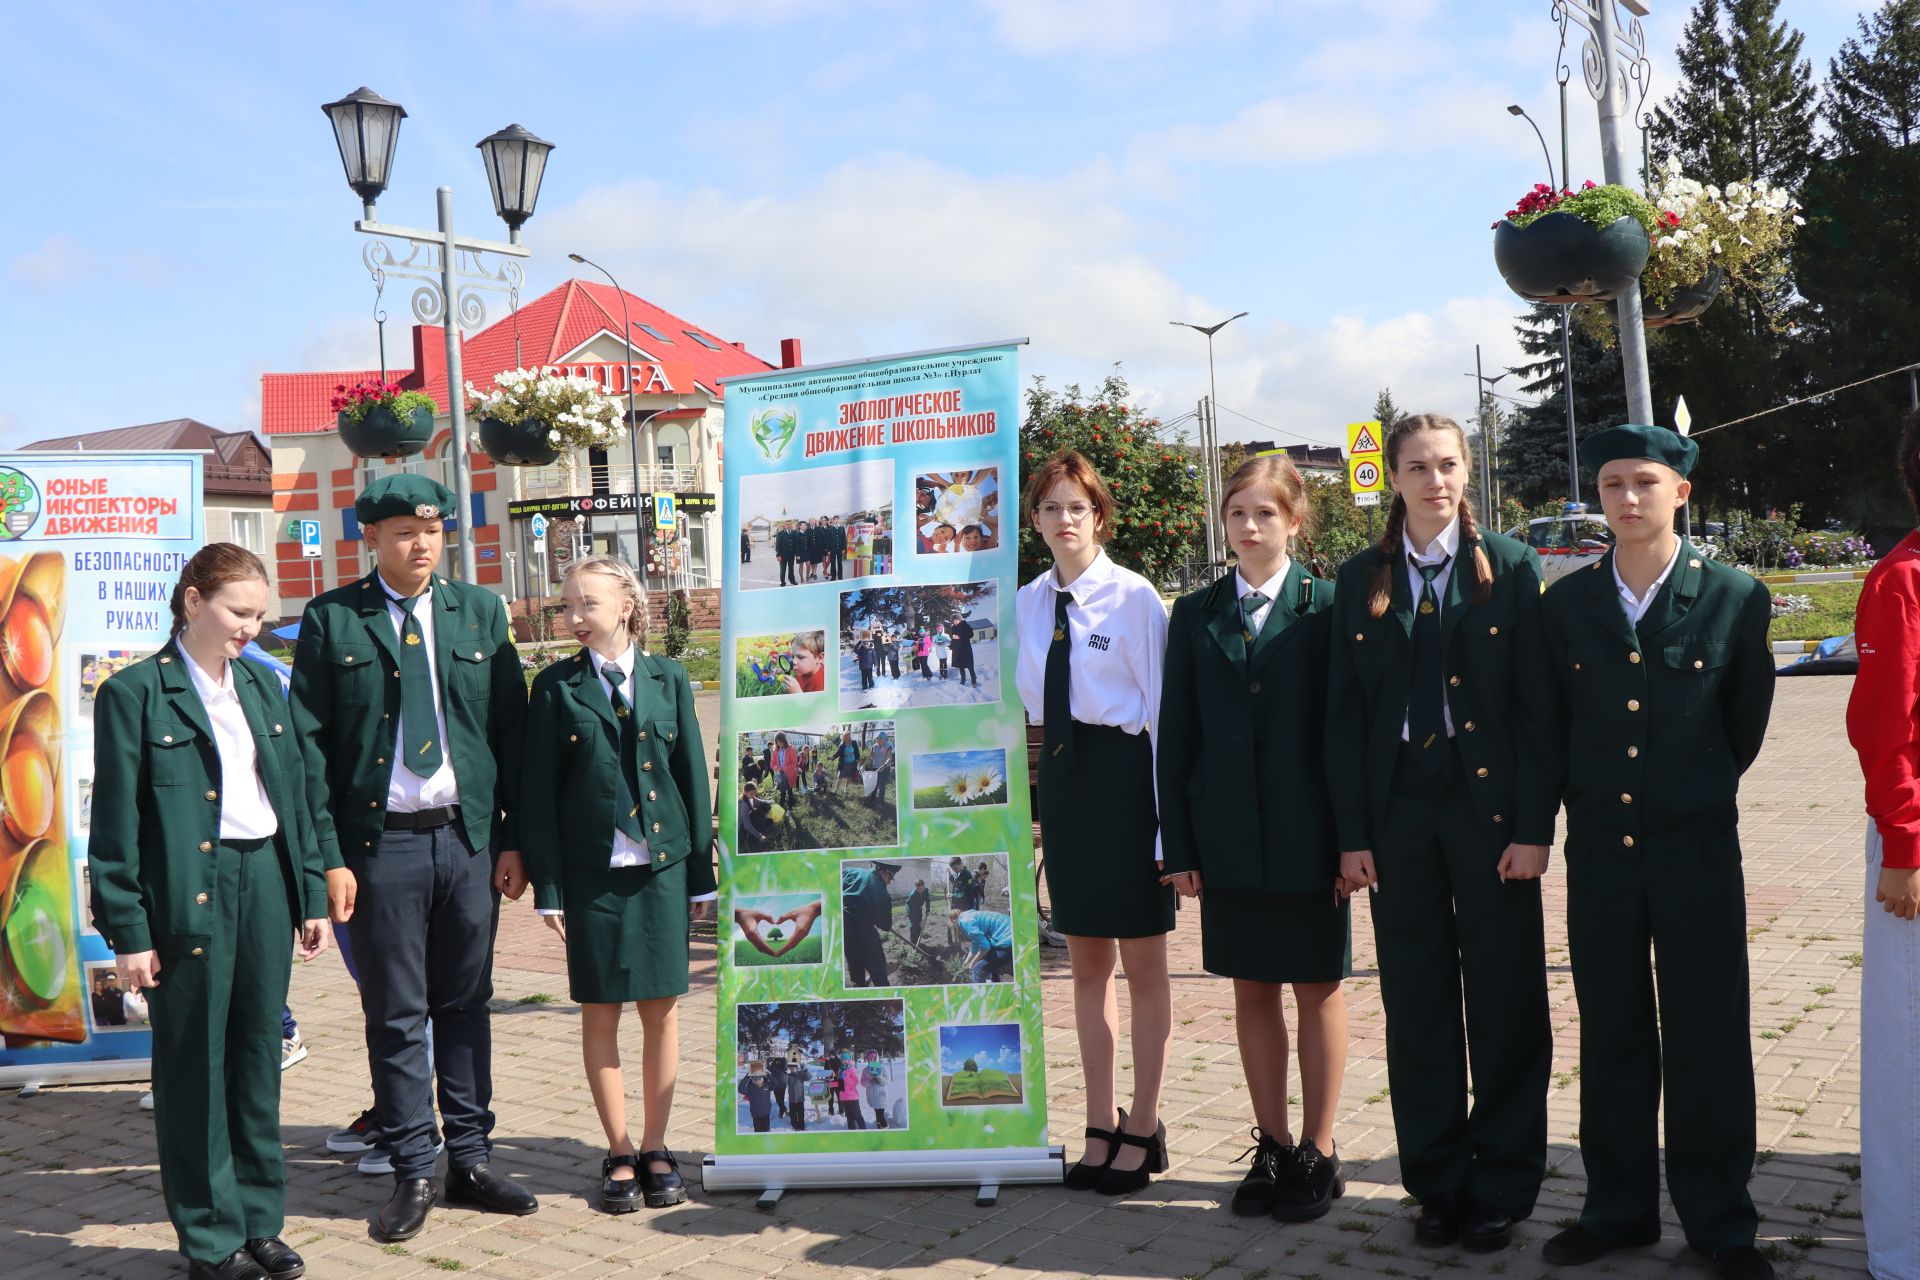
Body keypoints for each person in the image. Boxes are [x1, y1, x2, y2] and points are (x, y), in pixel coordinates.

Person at [1539, 425, 1777, 1280]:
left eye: (1644, 482)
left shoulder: (1736, 597)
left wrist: (1692, 790)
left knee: (1709, 1035)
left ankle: (1721, 1222)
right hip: (1602, 854)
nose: (1627, 499)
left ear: (1681, 491)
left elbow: (1740, 726)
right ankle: (1618, 1209)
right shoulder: (1565, 605)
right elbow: (1551, 729)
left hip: (1696, 852)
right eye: (1610, 484)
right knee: (1611, 1034)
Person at [1325, 415, 1552, 1252]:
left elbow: (1537, 710)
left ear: (1468, 470)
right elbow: (1343, 718)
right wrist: (1352, 835)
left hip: (1489, 817)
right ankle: (1437, 1181)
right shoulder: (1362, 578)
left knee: (1504, 998)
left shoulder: (1513, 569)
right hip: (1398, 819)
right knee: (1416, 1002)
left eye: (1449, 464)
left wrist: (1535, 828)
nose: (1435, 480)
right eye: (1417, 467)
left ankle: (1501, 1182)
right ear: (1393, 478)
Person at [289, 474, 535, 1244]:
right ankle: (413, 1168)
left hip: (467, 841)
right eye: (403, 531)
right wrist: (328, 858)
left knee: (466, 1005)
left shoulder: (481, 612)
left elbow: (512, 734)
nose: (421, 543)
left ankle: (469, 1158)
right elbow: (309, 750)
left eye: (431, 529)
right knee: (395, 1014)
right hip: (381, 844)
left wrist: (515, 839)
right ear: (372, 538)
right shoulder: (334, 620)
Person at [91, 543, 331, 1280]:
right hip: (188, 892)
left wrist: (311, 891)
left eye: (260, 616)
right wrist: (129, 932)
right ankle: (209, 1239)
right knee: (194, 1065)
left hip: (263, 879)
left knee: (258, 1055)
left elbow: (297, 793)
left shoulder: (262, 688)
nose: (249, 629)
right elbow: (116, 826)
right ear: (192, 600)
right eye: (238, 612)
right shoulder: (133, 693)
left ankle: (260, 1222)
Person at [1161, 455, 1350, 1223]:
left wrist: (1353, 841)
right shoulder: (1195, 613)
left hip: (1311, 836)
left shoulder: (1329, 607)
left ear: (1295, 522)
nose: (1249, 526)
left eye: (1266, 513)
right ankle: (1271, 1147)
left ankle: (1320, 1148)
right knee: (1252, 989)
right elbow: (1178, 737)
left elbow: (1347, 732)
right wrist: (1181, 848)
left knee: (1318, 986)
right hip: (1228, 836)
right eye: (1238, 512)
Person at [520, 556, 716, 1214]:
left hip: (661, 870)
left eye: (588, 604)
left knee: (661, 1012)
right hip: (590, 878)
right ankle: (620, 1149)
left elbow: (691, 776)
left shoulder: (669, 678)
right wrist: (549, 886)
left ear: (626, 605)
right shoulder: (554, 688)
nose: (573, 617)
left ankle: (660, 1147)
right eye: (566, 605)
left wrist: (700, 876)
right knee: (600, 1012)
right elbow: (538, 796)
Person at [1015, 449, 1175, 1195]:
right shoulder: (1024, 602)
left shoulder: (1134, 597)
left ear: (1099, 515)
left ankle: (1145, 1122)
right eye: (1051, 507)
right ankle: (1099, 1119)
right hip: (1068, 785)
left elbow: (1165, 718)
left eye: (1077, 506)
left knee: (1142, 965)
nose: (1065, 519)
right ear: (1034, 519)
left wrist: (1166, 829)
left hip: (1126, 783)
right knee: (1085, 965)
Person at [1846, 409, 1920, 1280]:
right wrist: (1903, 845)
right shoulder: (1901, 580)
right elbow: (1883, 728)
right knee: (1908, 1057)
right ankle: (1904, 1250)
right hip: (1917, 840)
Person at [842, 859, 898, 987]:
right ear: (884, 872)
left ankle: (861, 995)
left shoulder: (851, 871)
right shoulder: (882, 892)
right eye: (891, 878)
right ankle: (884, 998)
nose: (889, 882)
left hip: (845, 932)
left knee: (855, 970)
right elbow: (885, 925)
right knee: (879, 973)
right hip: (865, 936)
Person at [952, 908, 1015, 983]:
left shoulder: (965, 922)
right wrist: (966, 963)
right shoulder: (970, 916)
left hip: (1008, 941)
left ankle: (979, 993)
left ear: (953, 920)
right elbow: (976, 944)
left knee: (978, 969)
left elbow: (985, 947)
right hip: (1013, 936)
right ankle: (995, 985)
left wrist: (972, 963)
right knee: (989, 960)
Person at [738, 1061, 776, 1133]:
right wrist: (747, 1076)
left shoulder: (767, 1086)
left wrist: (768, 1075)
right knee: (758, 1132)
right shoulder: (751, 1088)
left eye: (760, 1079)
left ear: (762, 1079)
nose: (758, 1081)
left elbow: (776, 1084)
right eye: (755, 1079)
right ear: (752, 1080)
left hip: (766, 1114)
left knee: (766, 1131)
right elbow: (740, 1088)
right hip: (756, 1115)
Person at [738, 782, 773, 852]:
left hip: (748, 818)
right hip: (740, 826)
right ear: (745, 792)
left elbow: (759, 801)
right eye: (751, 793)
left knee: (765, 807)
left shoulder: (750, 797)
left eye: (754, 793)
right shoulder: (744, 805)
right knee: (755, 821)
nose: (753, 795)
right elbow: (747, 825)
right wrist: (760, 836)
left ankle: (759, 827)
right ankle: (749, 840)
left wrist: (769, 802)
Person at [861, 1051, 891, 1129]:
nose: (872, 1060)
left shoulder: (883, 1068)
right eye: (869, 1059)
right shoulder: (865, 1070)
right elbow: (862, 1083)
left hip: (881, 1096)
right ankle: (878, 1126)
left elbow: (887, 1081)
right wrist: (870, 1082)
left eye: (874, 1058)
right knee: (877, 1113)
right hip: (871, 1096)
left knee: (880, 1115)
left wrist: (878, 1077)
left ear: (877, 1058)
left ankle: (884, 1127)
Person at [768, 732, 798, 809]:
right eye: (777, 742)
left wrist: (784, 768)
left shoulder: (791, 750)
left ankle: (790, 809)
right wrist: (776, 767)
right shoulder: (776, 751)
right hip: (781, 774)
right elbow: (772, 763)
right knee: (782, 792)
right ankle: (781, 810)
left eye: (780, 741)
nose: (779, 743)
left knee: (790, 792)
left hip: (789, 774)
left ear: (784, 740)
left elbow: (794, 764)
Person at [837, 1058, 865, 1129]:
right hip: (844, 1097)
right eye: (843, 1059)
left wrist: (845, 1077)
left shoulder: (852, 1069)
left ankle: (864, 1130)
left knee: (857, 1115)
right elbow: (839, 1083)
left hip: (852, 1097)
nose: (844, 1061)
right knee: (849, 1117)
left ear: (849, 1060)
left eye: (846, 1059)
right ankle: (852, 1132)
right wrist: (830, 1083)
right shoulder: (840, 1070)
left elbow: (855, 1082)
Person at [784, 1053, 810, 1130]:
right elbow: (783, 1080)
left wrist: (805, 1070)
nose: (793, 1069)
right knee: (793, 1114)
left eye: (794, 1067)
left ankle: (801, 1126)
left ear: (796, 1067)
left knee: (801, 1114)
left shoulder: (800, 1075)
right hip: (792, 1100)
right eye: (791, 1067)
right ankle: (794, 1125)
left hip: (799, 1099)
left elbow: (808, 1077)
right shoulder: (788, 1076)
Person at [950, 616, 978, 688]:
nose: (955, 621)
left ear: (959, 620)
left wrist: (961, 636)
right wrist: (952, 645)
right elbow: (953, 637)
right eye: (953, 620)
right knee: (960, 665)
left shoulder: (965, 625)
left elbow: (971, 634)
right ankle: (963, 679)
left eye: (956, 620)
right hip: (958, 649)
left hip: (965, 648)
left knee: (969, 665)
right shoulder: (953, 628)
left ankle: (974, 679)